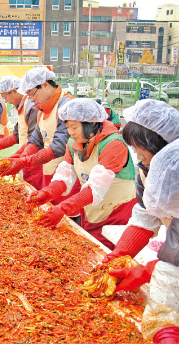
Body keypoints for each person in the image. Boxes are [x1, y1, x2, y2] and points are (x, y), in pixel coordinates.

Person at [103, 99, 179, 320]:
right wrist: (120, 254)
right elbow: (145, 214)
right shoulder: (148, 168)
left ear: (163, 148)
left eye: (142, 152)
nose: (139, 159)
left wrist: (148, 270)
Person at [28, 98, 137, 250]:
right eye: (67, 127)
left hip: (117, 215)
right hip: (91, 212)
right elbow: (64, 177)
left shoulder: (113, 145)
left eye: (74, 127)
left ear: (91, 123)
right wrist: (47, 193)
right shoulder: (73, 143)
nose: (70, 132)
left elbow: (95, 188)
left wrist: (62, 208)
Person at [1, 67, 77, 204]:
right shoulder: (42, 109)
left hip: (68, 177)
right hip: (49, 173)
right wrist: (21, 158)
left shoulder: (67, 107)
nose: (31, 99)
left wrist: (23, 161)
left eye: (32, 94)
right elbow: (36, 140)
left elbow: (59, 146)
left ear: (45, 85)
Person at [0, 76, 42, 189]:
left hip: (36, 160)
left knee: (35, 190)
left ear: (14, 91)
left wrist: (11, 159)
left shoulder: (31, 107)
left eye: (5, 96)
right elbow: (16, 135)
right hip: (25, 158)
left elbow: (34, 142)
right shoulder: (22, 106)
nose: (5, 100)